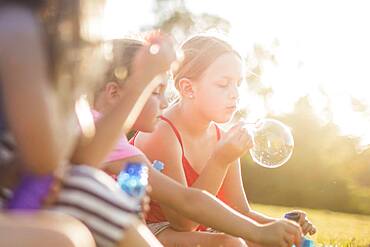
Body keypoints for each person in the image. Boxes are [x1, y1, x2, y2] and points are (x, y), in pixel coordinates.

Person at [94, 38, 304, 247]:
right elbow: (185, 219)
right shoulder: (156, 133)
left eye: (238, 84)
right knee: (232, 243)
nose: (235, 94)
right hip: (155, 228)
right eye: (223, 84)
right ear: (187, 88)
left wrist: (282, 228)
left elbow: (240, 212)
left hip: (131, 225)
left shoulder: (222, 138)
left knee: (252, 241)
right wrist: (220, 161)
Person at [0, 1, 174, 246]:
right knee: (68, 234)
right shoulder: (17, 27)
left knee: (86, 185)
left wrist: (142, 79)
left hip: (21, 187)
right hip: (15, 189)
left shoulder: (51, 41)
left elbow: (83, 158)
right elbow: (45, 160)